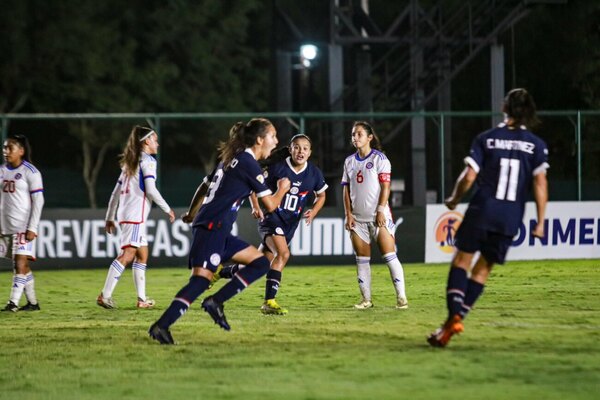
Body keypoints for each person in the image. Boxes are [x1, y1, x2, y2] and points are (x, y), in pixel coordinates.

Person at [149, 118, 290, 344]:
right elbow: (271, 205)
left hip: (218, 228)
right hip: (213, 227)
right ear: (260, 139)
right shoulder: (246, 162)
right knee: (200, 281)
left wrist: (192, 212)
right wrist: (282, 188)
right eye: (273, 136)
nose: (276, 141)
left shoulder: (232, 159)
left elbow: (205, 186)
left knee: (261, 262)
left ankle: (216, 301)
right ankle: (163, 325)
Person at [427, 88, 549, 348]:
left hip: (483, 210)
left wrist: (454, 199)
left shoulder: (487, 138)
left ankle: (454, 316)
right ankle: (451, 324)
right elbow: (540, 183)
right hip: (510, 217)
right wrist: (540, 221)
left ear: (505, 106)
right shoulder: (537, 145)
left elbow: (469, 176)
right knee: (483, 269)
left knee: (462, 260)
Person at [215, 134, 328, 315]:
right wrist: (255, 206)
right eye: (297, 147)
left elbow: (322, 195)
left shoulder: (314, 173)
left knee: (261, 264)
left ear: (310, 152)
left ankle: (219, 272)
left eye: (305, 148)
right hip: (272, 218)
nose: (301, 151)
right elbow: (253, 185)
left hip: (290, 224)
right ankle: (269, 301)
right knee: (283, 254)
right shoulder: (277, 168)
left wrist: (314, 211)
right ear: (290, 149)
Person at [97, 126, 175, 309]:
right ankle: (105, 295)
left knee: (142, 254)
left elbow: (115, 193)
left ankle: (141, 300)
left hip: (126, 213)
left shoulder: (130, 162)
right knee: (128, 254)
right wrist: (167, 208)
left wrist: (110, 216)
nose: (157, 143)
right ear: (147, 141)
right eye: (155, 139)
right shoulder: (147, 161)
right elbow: (151, 189)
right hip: (134, 215)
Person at [342, 121, 408, 310]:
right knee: (362, 260)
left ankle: (401, 298)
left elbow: (386, 187)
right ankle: (366, 300)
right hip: (358, 219)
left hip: (379, 217)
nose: (355, 137)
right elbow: (345, 191)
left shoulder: (380, 159)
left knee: (389, 256)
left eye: (359, 134)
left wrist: (380, 209)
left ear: (369, 137)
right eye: (353, 134)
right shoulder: (349, 162)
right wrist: (348, 214)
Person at [0, 134, 44, 312]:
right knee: (21, 265)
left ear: (21, 151)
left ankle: (13, 303)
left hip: (23, 226)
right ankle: (33, 303)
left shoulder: (31, 172)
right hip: (5, 226)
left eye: (9, 148)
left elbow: (38, 201)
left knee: (19, 263)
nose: (5, 151)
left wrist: (32, 227)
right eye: (4, 148)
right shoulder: (2, 170)